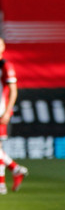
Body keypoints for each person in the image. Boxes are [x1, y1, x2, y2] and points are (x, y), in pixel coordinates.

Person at [0, 38, 28, 194]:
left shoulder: (5, 65)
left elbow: (13, 90)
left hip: (0, 111)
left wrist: (7, 111)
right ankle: (16, 169)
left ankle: (1, 184)